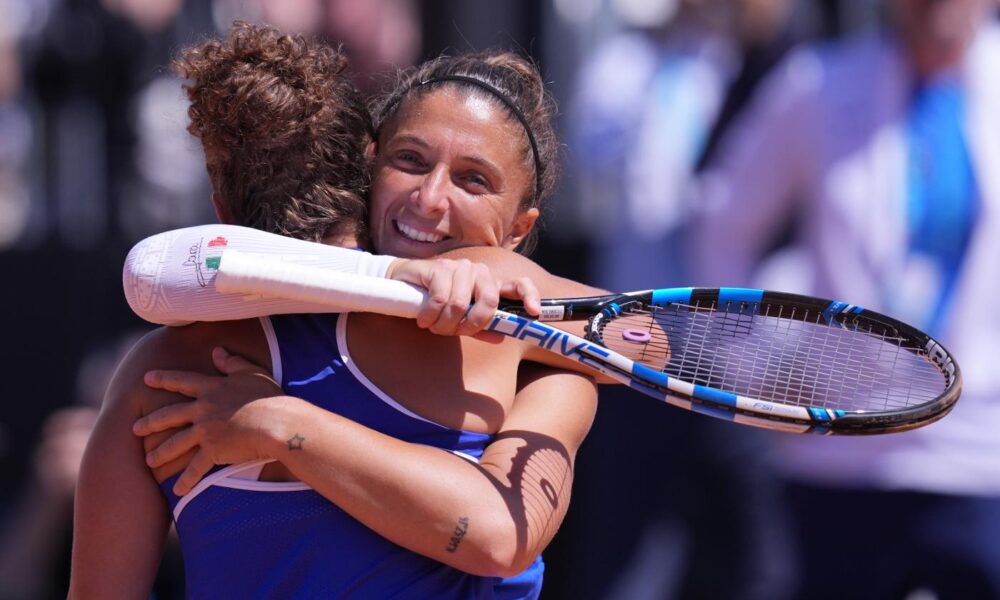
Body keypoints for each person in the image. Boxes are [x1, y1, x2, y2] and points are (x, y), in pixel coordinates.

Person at [71, 22, 600, 599]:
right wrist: (393, 276)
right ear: (368, 170)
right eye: (411, 160)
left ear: (220, 206)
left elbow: (498, 540)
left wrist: (284, 424)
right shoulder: (528, 339)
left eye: (473, 180)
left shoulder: (162, 370)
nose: (430, 199)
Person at [693, 1, 1000, 597]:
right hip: (843, 451)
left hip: (981, 455)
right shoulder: (819, 86)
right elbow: (722, 224)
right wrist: (748, 366)